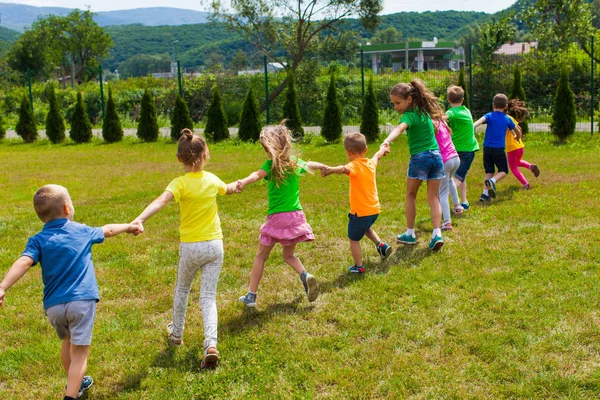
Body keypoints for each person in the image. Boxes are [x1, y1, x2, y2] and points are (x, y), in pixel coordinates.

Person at [0, 184, 139, 400]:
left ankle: (76, 382)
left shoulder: (37, 240)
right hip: (81, 301)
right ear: (67, 208)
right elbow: (108, 230)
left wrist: (2, 286)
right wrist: (130, 227)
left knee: (67, 340)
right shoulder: (81, 231)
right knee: (80, 353)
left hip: (54, 307)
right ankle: (71, 396)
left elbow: (24, 262)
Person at [132, 129, 238, 369]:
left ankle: (177, 335)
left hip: (191, 247)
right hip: (214, 246)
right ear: (206, 155)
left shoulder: (178, 183)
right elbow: (229, 189)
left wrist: (140, 219)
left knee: (182, 290)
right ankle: (211, 344)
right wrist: (238, 184)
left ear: (179, 159)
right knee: (208, 297)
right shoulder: (212, 179)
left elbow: (160, 201)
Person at [237, 123, 327, 307]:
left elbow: (256, 174)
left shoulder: (270, 165)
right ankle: (305, 274)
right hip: (296, 217)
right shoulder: (294, 163)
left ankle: (251, 296)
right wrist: (324, 167)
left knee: (261, 256)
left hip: (277, 218)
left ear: (267, 148)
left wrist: (243, 182)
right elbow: (311, 164)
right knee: (288, 255)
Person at [381, 79, 445, 251]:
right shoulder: (424, 112)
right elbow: (436, 128)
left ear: (409, 99)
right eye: (393, 103)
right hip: (437, 157)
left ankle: (410, 233)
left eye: (397, 103)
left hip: (421, 158)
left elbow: (399, 129)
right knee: (433, 198)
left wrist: (386, 141)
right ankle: (437, 233)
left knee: (411, 195)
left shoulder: (408, 115)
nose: (395, 107)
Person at [322, 132, 392, 273]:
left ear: (348, 152)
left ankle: (358, 266)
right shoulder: (370, 163)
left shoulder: (354, 165)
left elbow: (343, 169)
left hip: (360, 212)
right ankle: (382, 246)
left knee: (354, 239)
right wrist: (383, 149)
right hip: (374, 210)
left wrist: (330, 170)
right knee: (366, 228)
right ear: (366, 150)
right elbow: (377, 155)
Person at [473, 93, 519, 202]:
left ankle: (484, 195)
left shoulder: (489, 115)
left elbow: (478, 122)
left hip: (487, 148)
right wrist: (517, 137)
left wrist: (472, 128)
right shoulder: (507, 119)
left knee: (489, 171)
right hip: (498, 149)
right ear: (506, 106)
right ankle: (493, 181)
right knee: (503, 170)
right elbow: (517, 130)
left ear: (493, 105)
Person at [444, 85, 479, 210]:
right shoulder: (466, 110)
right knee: (461, 175)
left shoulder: (451, 113)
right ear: (463, 99)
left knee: (457, 178)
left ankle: (441, 198)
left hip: (462, 151)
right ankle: (464, 202)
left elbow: (443, 119)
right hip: (467, 150)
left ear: (448, 100)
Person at [505, 99, 540, 189]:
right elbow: (519, 128)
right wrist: (519, 137)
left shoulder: (505, 118)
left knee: (513, 167)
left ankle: (525, 184)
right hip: (520, 146)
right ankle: (530, 166)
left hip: (512, 147)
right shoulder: (512, 119)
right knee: (517, 162)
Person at [433, 119, 461, 231]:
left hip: (445, 161)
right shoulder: (442, 122)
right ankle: (457, 206)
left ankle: (447, 221)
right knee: (450, 180)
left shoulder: (432, 124)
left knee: (442, 192)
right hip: (455, 158)